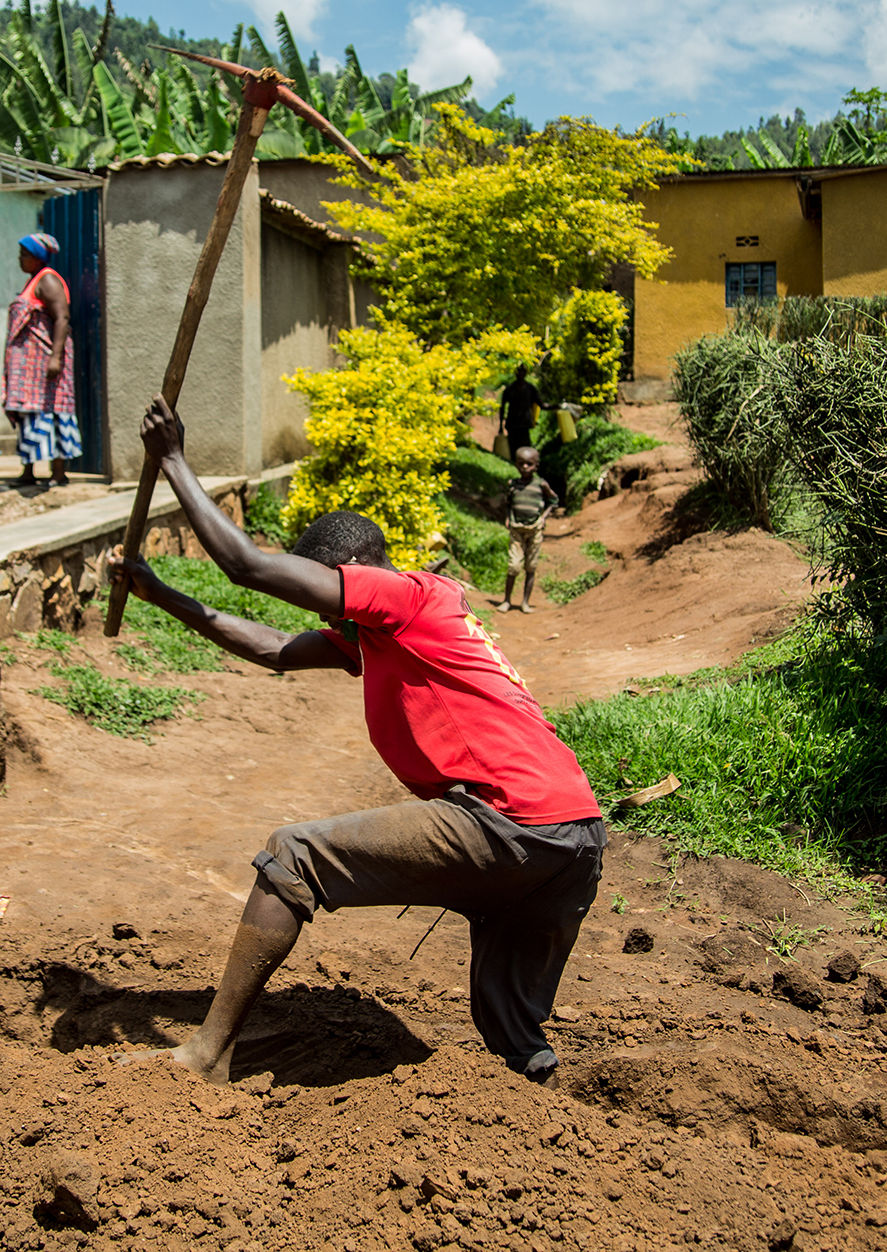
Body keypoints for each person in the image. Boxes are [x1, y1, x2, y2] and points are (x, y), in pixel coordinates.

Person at [108, 396, 605, 1086]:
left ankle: (206, 1055)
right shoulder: (387, 636)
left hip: (508, 820)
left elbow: (247, 566)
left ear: (351, 578)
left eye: (326, 600)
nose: (326, 621)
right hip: (572, 836)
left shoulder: (405, 598)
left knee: (294, 854)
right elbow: (275, 648)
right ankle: (565, 1137)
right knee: (511, 1032)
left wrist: (174, 463)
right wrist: (160, 594)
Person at [3, 233, 79, 488]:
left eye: (24, 254)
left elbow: (62, 318)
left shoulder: (48, 280)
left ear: (37, 258)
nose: (19, 259)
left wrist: (55, 357)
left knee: (53, 412)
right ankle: (29, 471)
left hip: (45, 364)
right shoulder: (32, 281)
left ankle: (58, 473)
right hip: (30, 369)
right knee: (30, 413)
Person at [496, 446, 560, 614]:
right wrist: (508, 517)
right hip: (517, 530)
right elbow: (508, 503)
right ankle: (507, 601)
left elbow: (554, 500)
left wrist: (544, 517)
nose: (525, 467)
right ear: (516, 464)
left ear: (536, 466)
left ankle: (525, 602)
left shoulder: (541, 484)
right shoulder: (513, 485)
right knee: (514, 566)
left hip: (535, 530)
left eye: (529, 464)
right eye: (521, 463)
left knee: (530, 567)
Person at [498, 364, 541, 457]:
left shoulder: (530, 389)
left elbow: (541, 404)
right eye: (519, 371)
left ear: (526, 373)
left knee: (525, 450)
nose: (520, 374)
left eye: (523, 371)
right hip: (512, 424)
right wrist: (500, 426)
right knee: (513, 451)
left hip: (524, 425)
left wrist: (557, 406)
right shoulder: (510, 389)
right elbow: (502, 407)